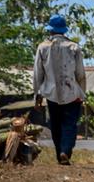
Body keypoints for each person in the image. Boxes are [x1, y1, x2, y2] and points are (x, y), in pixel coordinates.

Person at [33, 14, 87, 165]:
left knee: (55, 125)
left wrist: (37, 95)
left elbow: (38, 74)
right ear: (64, 30)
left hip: (52, 94)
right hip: (72, 93)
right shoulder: (74, 47)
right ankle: (65, 151)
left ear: (50, 30)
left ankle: (60, 155)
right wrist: (82, 94)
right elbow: (81, 74)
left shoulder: (42, 47)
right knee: (69, 125)